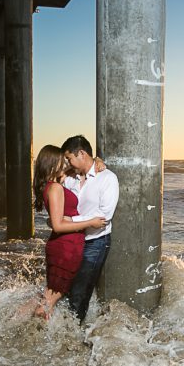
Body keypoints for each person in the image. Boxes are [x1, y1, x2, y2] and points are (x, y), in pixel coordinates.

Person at [32, 145, 106, 319]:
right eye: (62, 160)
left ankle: (16, 324)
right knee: (49, 300)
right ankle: (34, 335)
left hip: (63, 246)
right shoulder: (56, 188)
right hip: (66, 248)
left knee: (48, 295)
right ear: (53, 163)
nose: (65, 162)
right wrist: (91, 222)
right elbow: (57, 225)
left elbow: (81, 165)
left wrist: (97, 161)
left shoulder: (53, 184)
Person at [61, 135, 119, 323]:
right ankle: (70, 327)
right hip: (71, 241)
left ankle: (74, 335)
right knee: (67, 286)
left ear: (81, 154)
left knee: (80, 291)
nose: (68, 162)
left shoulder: (108, 178)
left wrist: (70, 220)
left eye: (69, 158)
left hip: (95, 242)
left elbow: (104, 216)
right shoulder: (70, 178)